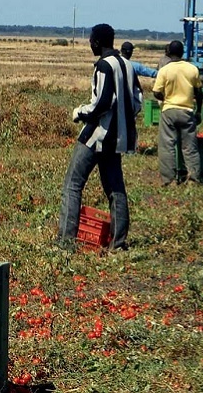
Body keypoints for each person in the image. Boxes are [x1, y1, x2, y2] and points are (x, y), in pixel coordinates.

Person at [57, 24, 142, 251]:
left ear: (96, 42)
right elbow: (137, 101)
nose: (90, 44)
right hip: (118, 139)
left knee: (72, 186)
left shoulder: (103, 66)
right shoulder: (127, 64)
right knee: (115, 189)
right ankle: (118, 243)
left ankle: (65, 243)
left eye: (91, 41)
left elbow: (103, 103)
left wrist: (81, 112)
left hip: (97, 136)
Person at [151, 40, 203, 185]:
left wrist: (166, 98)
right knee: (190, 147)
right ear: (182, 52)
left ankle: (169, 180)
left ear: (168, 52)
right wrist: (198, 110)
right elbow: (199, 93)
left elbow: (156, 92)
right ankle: (193, 179)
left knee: (167, 146)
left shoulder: (165, 70)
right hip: (187, 111)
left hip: (169, 111)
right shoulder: (192, 69)